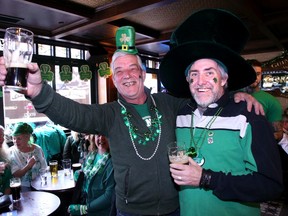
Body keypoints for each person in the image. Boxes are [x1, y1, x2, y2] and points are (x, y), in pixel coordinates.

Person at [0, 26, 264, 215]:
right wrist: (37, 91)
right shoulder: (110, 114)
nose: (126, 75)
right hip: (131, 211)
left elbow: (206, 95)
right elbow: (74, 114)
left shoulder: (170, 104)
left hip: (174, 209)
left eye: (132, 68)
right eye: (119, 71)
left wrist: (235, 95)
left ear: (142, 72)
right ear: (113, 78)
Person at [159, 9, 284, 215]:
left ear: (224, 79)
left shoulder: (248, 115)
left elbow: (270, 185)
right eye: (194, 74)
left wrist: (205, 178)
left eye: (210, 73)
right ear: (188, 80)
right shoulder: (180, 113)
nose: (201, 82)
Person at [68, 134, 115, 215]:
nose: (101, 138)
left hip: (101, 212)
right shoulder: (92, 155)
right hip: (85, 202)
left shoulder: (112, 162)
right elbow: (86, 175)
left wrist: (84, 209)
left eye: (105, 135)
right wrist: (80, 175)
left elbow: (109, 196)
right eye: (98, 135)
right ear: (94, 137)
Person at [245, 59, 283, 141]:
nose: (255, 77)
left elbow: (278, 133)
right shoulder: (231, 96)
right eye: (251, 74)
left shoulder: (271, 101)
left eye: (258, 74)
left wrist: (260, 139)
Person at [9, 122, 47, 190]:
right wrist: (28, 166)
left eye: (19, 138)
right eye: (14, 138)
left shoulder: (37, 149)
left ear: (28, 137)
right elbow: (16, 175)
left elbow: (44, 168)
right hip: (22, 189)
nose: (15, 141)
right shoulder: (11, 152)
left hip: (39, 185)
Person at [0, 125, 12, 195]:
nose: (1, 139)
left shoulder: (4, 154)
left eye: (2, 135)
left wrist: (5, 199)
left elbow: (8, 179)